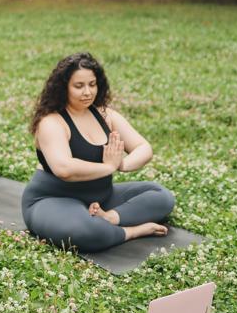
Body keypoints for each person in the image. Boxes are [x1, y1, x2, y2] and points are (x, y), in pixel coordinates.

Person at [22, 53, 175, 253]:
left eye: (92, 84)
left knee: (161, 196)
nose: (87, 92)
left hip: (102, 198)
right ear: (63, 88)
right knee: (83, 231)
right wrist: (108, 166)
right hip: (52, 200)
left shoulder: (105, 115)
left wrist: (121, 164)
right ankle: (131, 231)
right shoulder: (51, 122)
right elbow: (64, 169)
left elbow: (144, 148)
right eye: (79, 86)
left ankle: (110, 218)